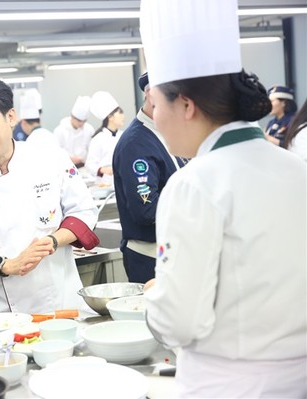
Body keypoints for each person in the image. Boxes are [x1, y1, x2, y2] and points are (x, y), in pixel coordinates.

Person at [140, 0, 306, 397]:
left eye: (155, 104)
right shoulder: (297, 167)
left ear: (185, 105)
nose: (153, 117)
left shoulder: (195, 183)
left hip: (227, 384)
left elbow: (179, 322)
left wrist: (156, 298)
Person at [0, 78, 100, 315]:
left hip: (62, 305)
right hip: (2, 316)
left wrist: (52, 241)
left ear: (11, 117)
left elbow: (83, 212)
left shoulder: (51, 159)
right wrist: (8, 265)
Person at [112, 72, 185, 284]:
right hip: (151, 257)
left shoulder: (170, 132)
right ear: (151, 96)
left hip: (176, 248)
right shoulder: (136, 143)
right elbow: (146, 210)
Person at [85, 91, 125, 186]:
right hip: (105, 185)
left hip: (123, 183)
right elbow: (90, 164)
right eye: (120, 113)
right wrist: (103, 169)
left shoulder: (124, 136)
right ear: (110, 117)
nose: (123, 116)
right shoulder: (98, 139)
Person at [53, 95, 94, 168]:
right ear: (72, 117)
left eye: (84, 121)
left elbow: (92, 150)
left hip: (84, 166)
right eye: (79, 121)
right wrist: (68, 159)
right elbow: (55, 152)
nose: (81, 124)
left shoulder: (89, 129)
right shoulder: (59, 131)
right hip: (65, 167)